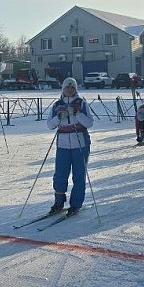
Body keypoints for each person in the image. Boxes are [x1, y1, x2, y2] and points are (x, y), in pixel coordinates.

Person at [47, 77, 94, 216]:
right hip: (63, 144)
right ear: (63, 89)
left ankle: (76, 204)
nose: (69, 89)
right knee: (60, 174)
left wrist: (77, 114)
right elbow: (49, 125)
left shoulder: (81, 103)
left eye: (72, 87)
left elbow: (89, 123)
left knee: (79, 174)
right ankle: (59, 201)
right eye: (67, 87)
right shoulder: (57, 105)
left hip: (80, 142)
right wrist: (58, 117)